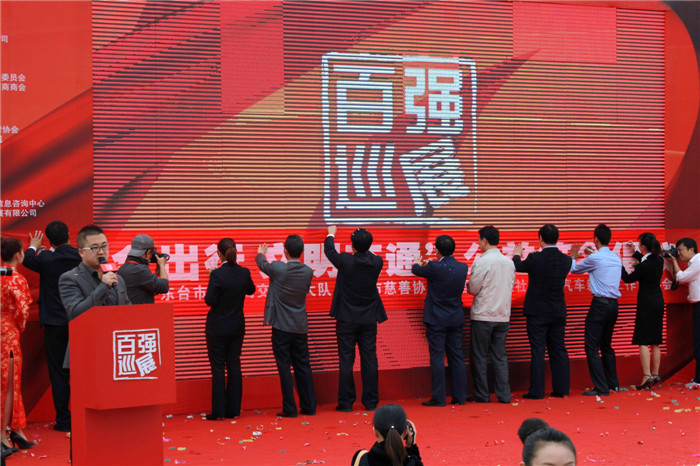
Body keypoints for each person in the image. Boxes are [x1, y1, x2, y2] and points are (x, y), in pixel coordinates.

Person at [22, 221, 81, 432]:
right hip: (80, 321)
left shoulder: (46, 258)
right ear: (68, 236)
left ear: (49, 240)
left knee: (59, 373)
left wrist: (34, 246)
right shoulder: (80, 256)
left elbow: (27, 259)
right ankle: (85, 416)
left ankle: (64, 420)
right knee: (83, 370)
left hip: (55, 324)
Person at [324, 225, 386, 412]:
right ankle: (371, 401)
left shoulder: (346, 260)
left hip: (347, 318)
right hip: (369, 318)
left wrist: (331, 234)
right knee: (369, 358)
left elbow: (329, 251)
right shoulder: (377, 262)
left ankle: (345, 403)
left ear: (352, 245)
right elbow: (368, 254)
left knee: (346, 359)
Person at [256, 235, 316, 417]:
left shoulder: (278, 268)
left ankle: (290, 408)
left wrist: (260, 253)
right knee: (303, 366)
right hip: (300, 326)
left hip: (281, 326)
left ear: (285, 251)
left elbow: (262, 264)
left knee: (284, 367)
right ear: (301, 251)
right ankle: (309, 406)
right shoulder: (308, 272)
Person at [513, 224, 572, 399]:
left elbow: (517, 266)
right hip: (557, 311)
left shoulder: (535, 258)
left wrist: (516, 254)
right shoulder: (566, 260)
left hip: (537, 312)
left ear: (540, 238)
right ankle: (562, 389)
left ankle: (537, 391)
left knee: (538, 351)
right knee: (559, 349)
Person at [59, 225, 131, 368]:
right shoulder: (70, 278)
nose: (101, 252)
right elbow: (76, 313)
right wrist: (103, 286)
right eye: (95, 248)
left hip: (118, 353)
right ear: (81, 252)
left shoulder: (117, 278)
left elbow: (128, 312)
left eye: (104, 246)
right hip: (87, 354)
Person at [411, 235, 468, 407]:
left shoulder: (434, 267)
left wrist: (416, 262)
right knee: (457, 357)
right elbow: (441, 269)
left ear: (436, 250)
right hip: (455, 317)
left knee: (437, 357)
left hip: (436, 319)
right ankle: (460, 397)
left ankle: (439, 397)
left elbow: (416, 270)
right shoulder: (462, 267)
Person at [204, 238, 255, 419]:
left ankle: (218, 411)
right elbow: (251, 290)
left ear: (219, 254)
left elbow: (209, 300)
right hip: (236, 327)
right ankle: (233, 410)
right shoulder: (244, 272)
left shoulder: (217, 275)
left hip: (217, 327)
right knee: (234, 366)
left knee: (218, 368)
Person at [570, 224, 622, 396]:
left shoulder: (596, 258)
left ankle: (601, 387)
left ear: (596, 239)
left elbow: (574, 269)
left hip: (600, 305)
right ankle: (613, 384)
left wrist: (573, 257)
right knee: (606, 345)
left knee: (591, 345)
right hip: (614, 306)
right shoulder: (616, 258)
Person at [466, 225, 515, 403]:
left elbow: (473, 288)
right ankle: (504, 395)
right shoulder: (509, 262)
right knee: (500, 356)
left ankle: (482, 394)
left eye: (479, 240)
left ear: (484, 241)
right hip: (503, 314)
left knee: (479, 356)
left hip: (483, 315)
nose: (479, 243)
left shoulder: (482, 262)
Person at [1, 238, 35, 454]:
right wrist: (19, 327)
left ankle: (17, 430)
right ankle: (2, 435)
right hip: (8, 335)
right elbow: (23, 311)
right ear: (18, 255)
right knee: (9, 385)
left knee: (7, 384)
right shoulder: (16, 278)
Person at [621, 233, 664, 390]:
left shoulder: (644, 266)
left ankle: (646, 375)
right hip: (658, 301)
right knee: (655, 341)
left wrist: (619, 264)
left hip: (646, 304)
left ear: (644, 247)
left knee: (643, 340)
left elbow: (628, 279)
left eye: (639, 245)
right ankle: (655, 374)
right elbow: (646, 260)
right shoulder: (659, 260)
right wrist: (635, 252)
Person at [667, 237, 700, 390]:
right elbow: (680, 278)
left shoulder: (698, 262)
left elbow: (681, 277)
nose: (679, 253)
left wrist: (673, 261)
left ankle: (699, 379)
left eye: (680, 250)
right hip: (696, 306)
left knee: (698, 343)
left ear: (691, 249)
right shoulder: (694, 264)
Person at [351, 404, 422, 466]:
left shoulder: (362, 458)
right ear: (406, 432)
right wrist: (412, 448)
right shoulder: (412, 462)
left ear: (375, 431)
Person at [117, 234, 169, 304]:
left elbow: (148, 286)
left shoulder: (122, 269)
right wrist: (162, 265)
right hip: (141, 310)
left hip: (129, 309)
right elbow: (164, 287)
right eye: (151, 253)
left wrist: (156, 273)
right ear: (148, 252)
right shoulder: (140, 270)